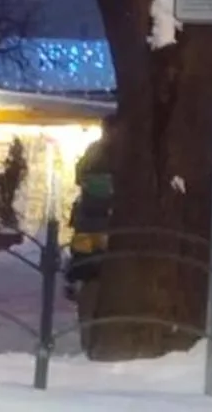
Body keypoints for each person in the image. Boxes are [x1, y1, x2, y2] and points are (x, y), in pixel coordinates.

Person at [70, 112, 119, 349]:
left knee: (89, 283)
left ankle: (90, 341)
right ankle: (94, 342)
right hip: (102, 227)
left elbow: (80, 176)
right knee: (95, 283)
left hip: (89, 227)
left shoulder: (95, 152)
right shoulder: (119, 155)